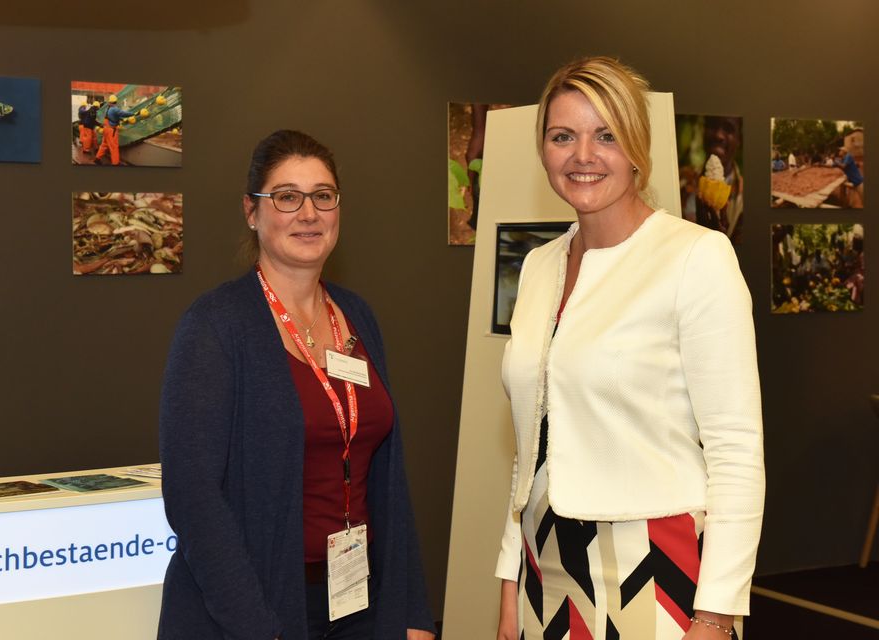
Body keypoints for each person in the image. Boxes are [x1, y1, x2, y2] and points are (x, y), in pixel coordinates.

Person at [495, 57, 764, 640]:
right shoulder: (538, 266)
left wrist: (715, 616)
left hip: (657, 568)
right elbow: (528, 446)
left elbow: (736, 452)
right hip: (546, 566)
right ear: (543, 150)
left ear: (637, 147)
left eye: (606, 135)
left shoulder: (696, 257)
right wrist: (509, 585)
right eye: (562, 136)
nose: (582, 155)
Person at [158, 130, 435, 640]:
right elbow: (192, 498)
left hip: (358, 600)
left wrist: (411, 607)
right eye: (287, 196)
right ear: (252, 211)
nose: (308, 214)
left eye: (322, 196)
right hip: (252, 610)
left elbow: (388, 479)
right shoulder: (215, 325)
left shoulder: (357, 316)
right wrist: (258, 628)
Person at [682, 116, 745, 243]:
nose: (718, 135)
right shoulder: (681, 179)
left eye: (728, 129)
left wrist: (718, 240)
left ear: (739, 140)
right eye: (712, 125)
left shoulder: (746, 197)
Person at [94, 94, 136, 166]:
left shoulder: (108, 109)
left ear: (110, 102)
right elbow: (123, 113)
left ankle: (97, 159)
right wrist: (133, 114)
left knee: (104, 145)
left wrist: (121, 119)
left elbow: (113, 116)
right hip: (111, 131)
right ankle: (115, 163)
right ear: (115, 102)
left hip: (105, 129)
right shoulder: (114, 109)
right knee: (114, 147)